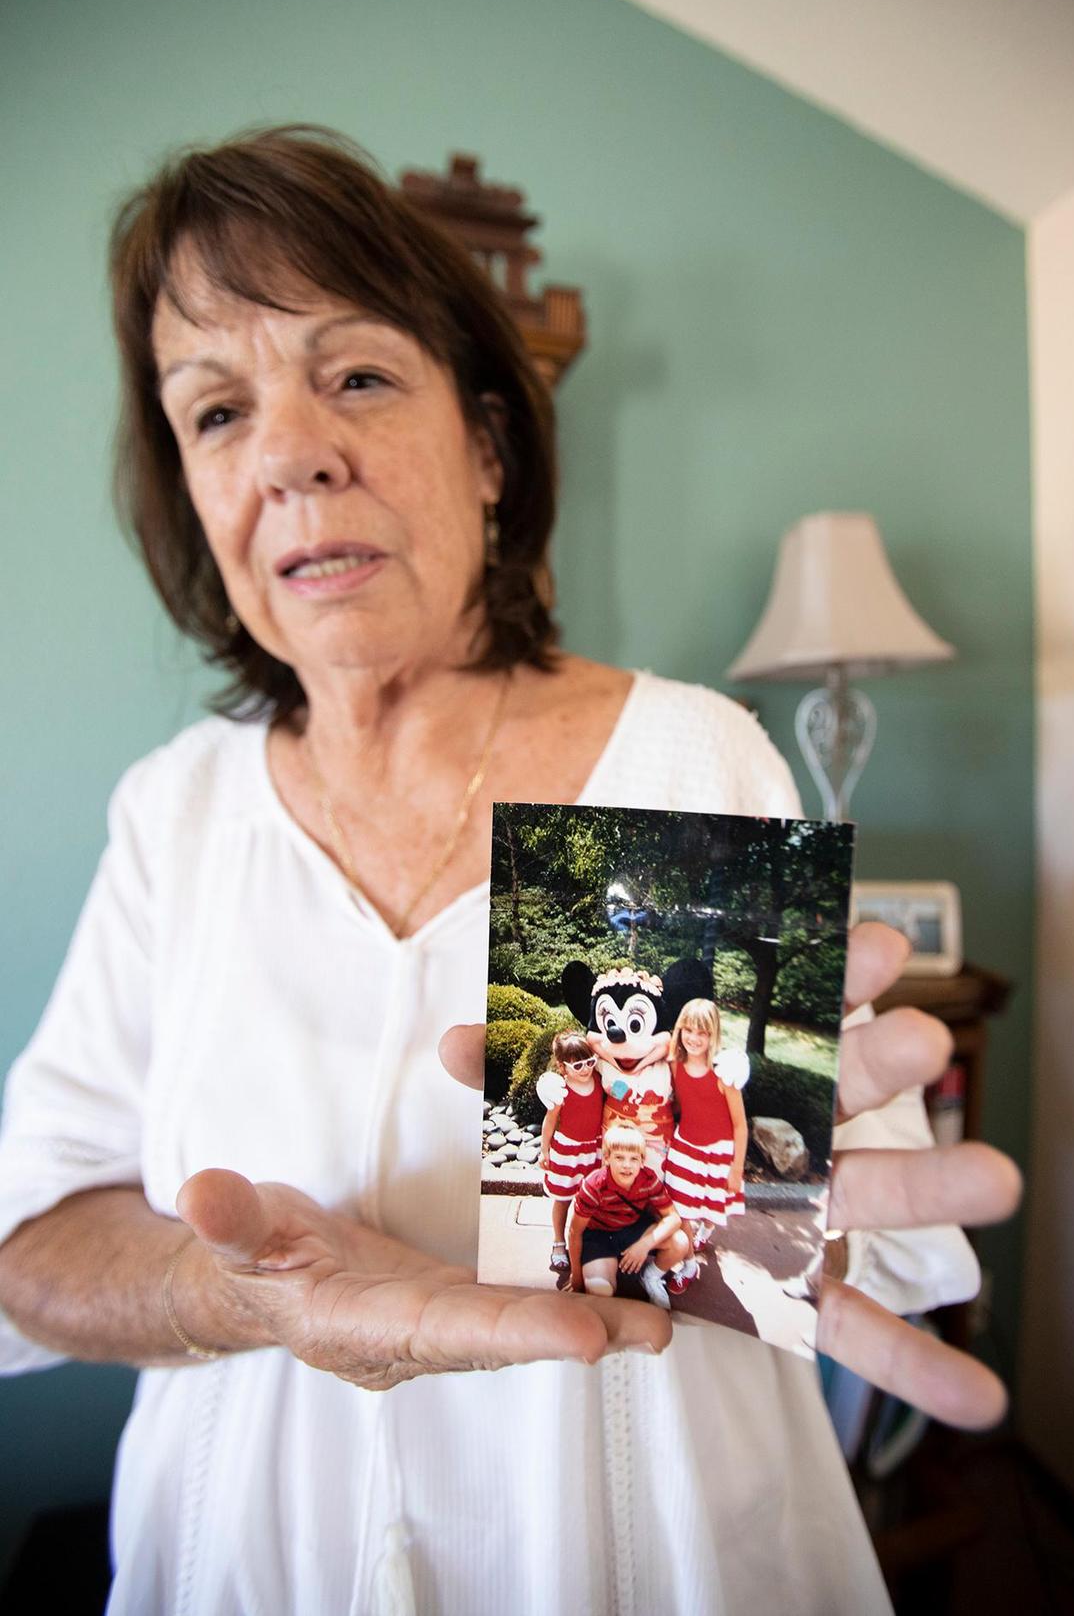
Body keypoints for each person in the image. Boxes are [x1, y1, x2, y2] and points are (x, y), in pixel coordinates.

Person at [0, 125, 1021, 1616]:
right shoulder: (177, 809)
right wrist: (244, 1295)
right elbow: (32, 1239)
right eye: (216, 410)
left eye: (355, 375)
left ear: (487, 447)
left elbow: (780, 1222)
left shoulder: (674, 760)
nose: (290, 451)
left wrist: (775, 1221)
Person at [567, 1123, 688, 1308]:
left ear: (642, 1161)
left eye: (633, 1159)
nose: (626, 1165)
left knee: (680, 1242)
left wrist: (644, 1244)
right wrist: (576, 1277)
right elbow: (575, 1232)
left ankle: (650, 1277)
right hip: (599, 1237)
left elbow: (673, 1218)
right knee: (600, 1291)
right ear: (606, 1158)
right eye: (619, 1157)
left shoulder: (647, 1179)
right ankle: (604, 1271)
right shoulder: (594, 1185)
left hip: (632, 1229)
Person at [662, 997, 749, 1242]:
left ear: (713, 1035)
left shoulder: (724, 1074)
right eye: (688, 1030)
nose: (693, 1038)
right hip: (685, 1145)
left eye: (702, 1032)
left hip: (718, 1153)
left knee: (711, 1206)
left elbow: (740, 1126)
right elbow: (681, 1101)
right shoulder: (675, 1065)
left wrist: (737, 1169)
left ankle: (707, 1229)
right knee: (680, 1207)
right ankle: (687, 1261)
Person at [537, 1030, 605, 1273]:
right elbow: (550, 1121)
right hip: (566, 1152)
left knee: (590, 1199)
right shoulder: (561, 1089)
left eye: (589, 1062)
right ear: (562, 1066)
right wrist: (544, 1151)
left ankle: (584, 1239)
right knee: (563, 1199)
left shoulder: (598, 1080)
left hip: (593, 1150)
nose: (585, 1069)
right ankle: (558, 1241)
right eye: (578, 1065)